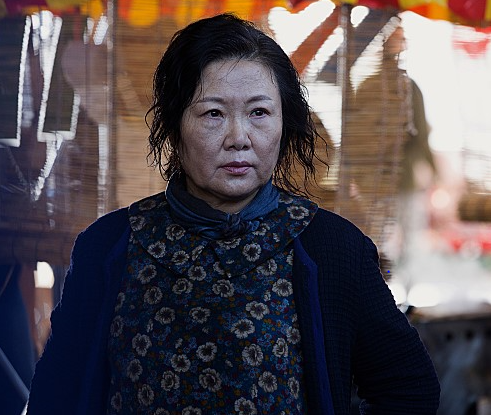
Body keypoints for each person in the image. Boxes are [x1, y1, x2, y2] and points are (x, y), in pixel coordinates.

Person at [26, 13, 440, 415]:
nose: (238, 138)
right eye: (213, 114)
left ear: (284, 122)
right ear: (174, 125)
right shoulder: (109, 246)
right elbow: (56, 396)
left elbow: (408, 387)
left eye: (259, 112)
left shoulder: (333, 249)